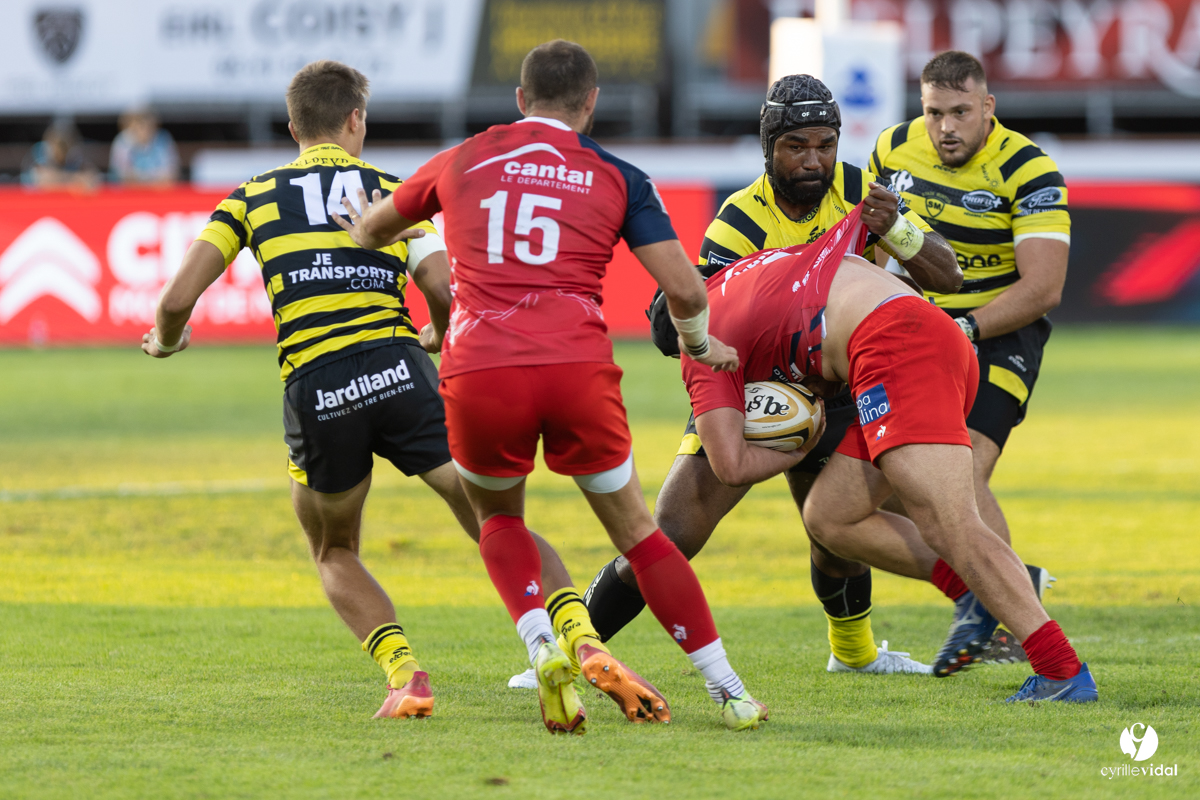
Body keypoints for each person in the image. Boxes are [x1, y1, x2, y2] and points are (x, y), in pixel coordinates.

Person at [140, 60, 646, 724]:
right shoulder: (389, 189)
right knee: (498, 519)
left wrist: (167, 339)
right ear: (356, 119)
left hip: (319, 389)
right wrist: (437, 332)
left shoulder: (251, 197)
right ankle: (579, 635)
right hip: (402, 373)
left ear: (293, 126)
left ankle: (406, 675)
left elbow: (177, 298)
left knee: (334, 549)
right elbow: (443, 290)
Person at [337, 39, 769, 733]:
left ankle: (541, 645)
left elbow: (375, 229)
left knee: (500, 518)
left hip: (479, 368)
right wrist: (698, 344)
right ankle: (731, 692)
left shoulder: (466, 156)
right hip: (576, 368)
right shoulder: (617, 173)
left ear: (519, 99)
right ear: (590, 103)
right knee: (638, 534)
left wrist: (362, 226)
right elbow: (686, 287)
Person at [582, 74, 962, 677]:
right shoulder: (740, 220)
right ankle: (570, 642)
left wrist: (899, 229)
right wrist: (673, 312)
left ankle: (856, 656)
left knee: (838, 536)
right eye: (796, 147)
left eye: (825, 145)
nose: (813, 161)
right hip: (753, 387)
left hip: (837, 386)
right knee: (673, 534)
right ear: (769, 147)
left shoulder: (865, 193)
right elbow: (687, 328)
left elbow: (948, 277)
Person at [684, 205, 1097, 704]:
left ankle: (1061, 672)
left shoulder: (700, 342)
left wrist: (803, 444)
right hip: (927, 334)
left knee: (951, 524)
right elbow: (837, 290)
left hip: (895, 347)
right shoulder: (757, 268)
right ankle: (975, 594)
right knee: (830, 517)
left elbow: (730, 468)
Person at [870, 51, 1069, 667]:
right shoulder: (893, 149)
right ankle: (1014, 584)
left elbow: (1043, 288)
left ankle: (1008, 620)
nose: (945, 127)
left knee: (961, 475)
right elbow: (872, 247)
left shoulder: (1030, 170)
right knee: (897, 482)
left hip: (998, 334)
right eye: (934, 112)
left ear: (988, 108)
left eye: (960, 112)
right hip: (917, 332)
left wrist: (963, 324)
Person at [21, 119, 99, 190]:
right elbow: (42, 181)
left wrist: (59, 178)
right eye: (58, 144)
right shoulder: (39, 152)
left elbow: (92, 179)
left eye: (65, 145)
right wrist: (74, 179)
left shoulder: (75, 153)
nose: (61, 150)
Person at [110, 107, 180, 184]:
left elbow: (171, 172)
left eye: (148, 125)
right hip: (127, 192)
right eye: (139, 125)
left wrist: (146, 180)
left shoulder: (163, 139)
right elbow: (123, 175)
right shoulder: (122, 141)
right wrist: (148, 179)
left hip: (158, 191)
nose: (144, 130)